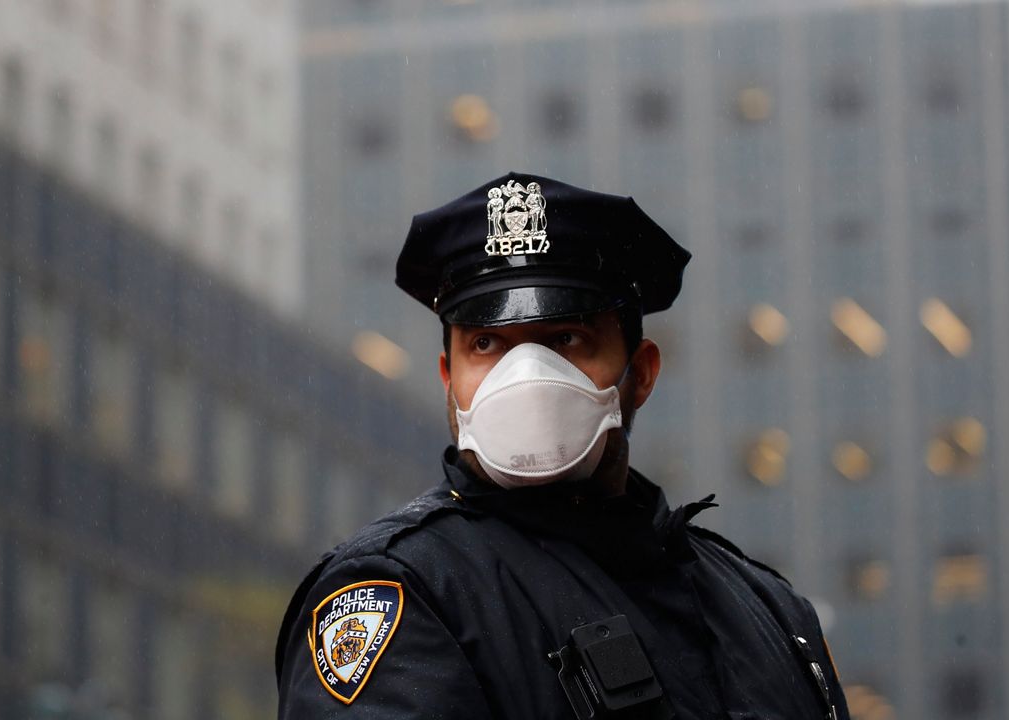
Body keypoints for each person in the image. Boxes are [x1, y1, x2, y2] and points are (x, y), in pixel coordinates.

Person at [276, 172, 850, 719]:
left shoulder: (767, 609)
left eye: (566, 338)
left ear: (641, 373)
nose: (526, 374)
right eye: (487, 343)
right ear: (449, 379)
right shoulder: (406, 594)